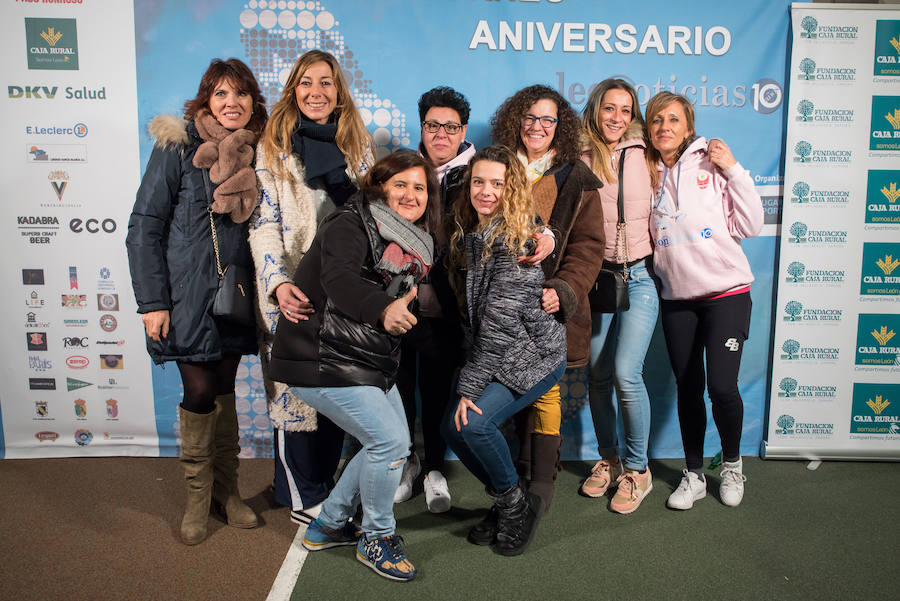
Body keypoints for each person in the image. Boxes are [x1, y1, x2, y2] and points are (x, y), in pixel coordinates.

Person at [267, 150, 440, 582]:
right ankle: (377, 537)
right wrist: (383, 311)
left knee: (389, 445)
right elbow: (340, 282)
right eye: (399, 183)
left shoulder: (412, 244)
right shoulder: (351, 223)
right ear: (379, 186)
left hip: (365, 360)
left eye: (419, 187)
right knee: (391, 443)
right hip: (319, 356)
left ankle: (329, 524)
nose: (410, 194)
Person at [126, 58, 267, 545]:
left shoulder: (260, 150)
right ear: (205, 101)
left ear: (254, 101)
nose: (232, 103)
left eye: (241, 94)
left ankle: (226, 494)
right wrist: (152, 303)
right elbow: (145, 227)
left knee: (226, 390)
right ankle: (196, 495)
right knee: (200, 392)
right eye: (221, 94)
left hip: (239, 293)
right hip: (186, 297)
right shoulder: (178, 147)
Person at [249, 49, 373, 525]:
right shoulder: (273, 147)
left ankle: (328, 485)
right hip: (291, 289)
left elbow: (371, 219)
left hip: (342, 292)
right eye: (306, 83)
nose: (316, 92)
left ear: (338, 90)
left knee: (336, 388)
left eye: (326, 83)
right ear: (292, 90)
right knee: (294, 393)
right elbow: (263, 223)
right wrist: (278, 283)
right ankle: (300, 494)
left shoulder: (357, 145)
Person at [440, 145, 567, 556]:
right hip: (499, 355)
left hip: (533, 357)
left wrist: (469, 388)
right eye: (479, 182)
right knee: (450, 428)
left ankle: (515, 506)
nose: (486, 191)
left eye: (497, 183)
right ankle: (508, 499)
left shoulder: (516, 240)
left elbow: (498, 325)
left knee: (471, 424)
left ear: (511, 188)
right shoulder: (475, 232)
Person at [644, 92, 763, 510]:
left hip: (726, 295)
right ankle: (693, 473)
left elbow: (751, 223)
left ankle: (731, 463)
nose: (664, 127)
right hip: (678, 300)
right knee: (688, 388)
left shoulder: (710, 163)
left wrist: (732, 168)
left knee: (723, 388)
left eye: (673, 119)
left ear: (688, 126)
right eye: (657, 120)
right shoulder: (647, 171)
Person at [491, 85, 605, 512]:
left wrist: (564, 290)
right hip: (501, 306)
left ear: (561, 127)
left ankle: (539, 483)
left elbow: (589, 247)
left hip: (549, 305)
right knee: (499, 385)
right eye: (530, 117)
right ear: (515, 120)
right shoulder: (494, 167)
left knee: (545, 393)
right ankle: (507, 482)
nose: (537, 127)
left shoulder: (576, 177)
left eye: (548, 119)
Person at [390, 86, 475, 510]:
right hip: (401, 301)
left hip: (450, 304)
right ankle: (406, 461)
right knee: (400, 385)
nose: (440, 134)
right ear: (421, 128)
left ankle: (436, 467)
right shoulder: (404, 169)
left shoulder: (478, 172)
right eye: (432, 126)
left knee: (439, 387)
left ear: (462, 132)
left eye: (450, 127)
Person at [579, 79, 658, 514]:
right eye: (609, 108)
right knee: (597, 374)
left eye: (625, 110)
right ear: (596, 110)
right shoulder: (580, 156)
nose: (616, 118)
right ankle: (608, 459)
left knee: (627, 373)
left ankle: (637, 470)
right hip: (597, 279)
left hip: (641, 276)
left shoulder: (648, 153)